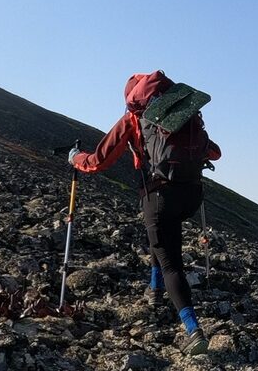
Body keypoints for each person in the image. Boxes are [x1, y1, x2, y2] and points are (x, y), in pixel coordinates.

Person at [72, 71, 220, 354]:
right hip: (192, 195)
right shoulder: (184, 114)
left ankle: (193, 330)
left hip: (159, 196)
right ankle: (155, 291)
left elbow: (97, 161)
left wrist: (74, 158)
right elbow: (214, 153)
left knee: (171, 263)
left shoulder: (134, 119)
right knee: (161, 240)